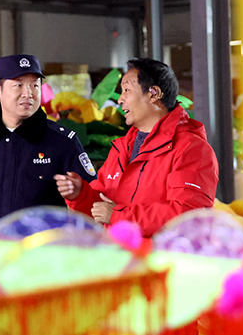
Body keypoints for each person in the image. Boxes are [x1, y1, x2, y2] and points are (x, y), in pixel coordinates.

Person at [0, 54, 97, 248]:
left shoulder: (62, 143)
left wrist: (79, 192)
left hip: (38, 258)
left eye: (34, 85)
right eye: (18, 85)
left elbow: (93, 201)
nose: (28, 93)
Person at [55, 58, 218, 237]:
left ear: (154, 94)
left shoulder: (191, 149)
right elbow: (101, 209)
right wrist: (80, 195)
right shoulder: (122, 147)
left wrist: (119, 216)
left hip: (159, 255)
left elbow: (188, 217)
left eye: (126, 90)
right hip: (119, 252)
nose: (120, 99)